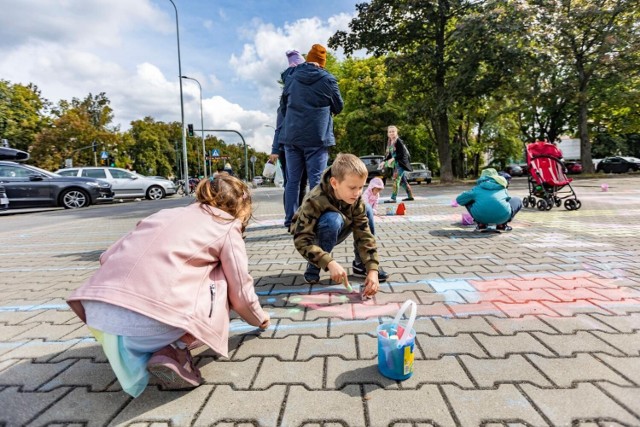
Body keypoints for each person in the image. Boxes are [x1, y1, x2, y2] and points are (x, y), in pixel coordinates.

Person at [66, 175, 270, 397]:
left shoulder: (162, 214)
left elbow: (106, 257)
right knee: (222, 277)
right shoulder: (227, 226)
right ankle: (177, 348)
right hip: (151, 327)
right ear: (241, 206)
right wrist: (258, 318)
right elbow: (240, 292)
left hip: (101, 320)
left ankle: (148, 346)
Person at [290, 153, 389, 295]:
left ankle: (361, 265)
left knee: (366, 208)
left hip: (339, 228)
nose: (357, 193)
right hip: (313, 236)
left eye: (361, 187)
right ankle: (314, 265)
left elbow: (364, 234)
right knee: (332, 219)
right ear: (334, 183)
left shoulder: (356, 198)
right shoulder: (314, 199)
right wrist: (329, 262)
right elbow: (301, 239)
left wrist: (372, 269)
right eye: (352, 188)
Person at [279, 43, 344, 227]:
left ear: (308, 59)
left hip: (292, 137)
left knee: (293, 181)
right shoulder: (328, 80)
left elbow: (284, 107)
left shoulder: (291, 78)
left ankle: (290, 220)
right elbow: (339, 106)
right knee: (316, 180)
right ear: (322, 63)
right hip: (317, 137)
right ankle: (313, 219)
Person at [269, 50, 308, 210]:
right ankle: (296, 215)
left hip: (286, 145)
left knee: (291, 183)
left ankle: (292, 216)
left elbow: (279, 127)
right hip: (299, 144)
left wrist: (275, 149)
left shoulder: (286, 95)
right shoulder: (301, 95)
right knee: (299, 182)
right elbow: (279, 126)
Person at [455, 168, 522, 232]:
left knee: (467, 199)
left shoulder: (477, 189)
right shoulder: (502, 187)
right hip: (502, 218)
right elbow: (507, 200)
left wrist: (468, 194)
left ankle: (481, 224)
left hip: (480, 217)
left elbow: (459, 200)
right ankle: (501, 224)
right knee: (517, 200)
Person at [383, 125, 414, 203]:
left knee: (395, 179)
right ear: (388, 133)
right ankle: (410, 196)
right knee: (403, 181)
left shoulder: (398, 141)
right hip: (396, 164)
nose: (391, 133)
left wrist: (393, 159)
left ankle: (393, 198)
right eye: (390, 132)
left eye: (393, 131)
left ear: (396, 132)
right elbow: (389, 154)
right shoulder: (390, 142)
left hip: (401, 164)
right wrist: (384, 161)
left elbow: (402, 154)